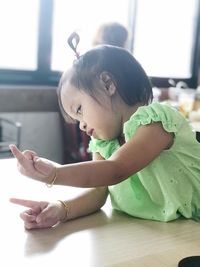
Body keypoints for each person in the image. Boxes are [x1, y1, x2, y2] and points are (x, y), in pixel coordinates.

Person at [9, 39, 200, 230]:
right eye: (77, 120)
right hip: (146, 230)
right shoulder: (104, 143)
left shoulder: (157, 121)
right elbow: (98, 191)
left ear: (108, 84)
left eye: (80, 110)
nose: (81, 126)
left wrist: (54, 175)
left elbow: (116, 170)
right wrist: (61, 209)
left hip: (191, 227)